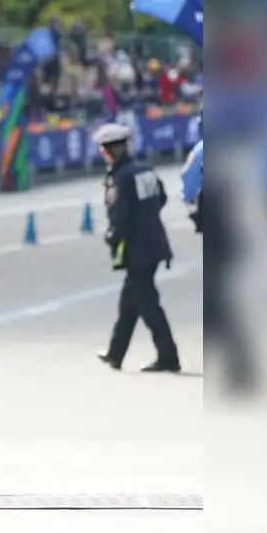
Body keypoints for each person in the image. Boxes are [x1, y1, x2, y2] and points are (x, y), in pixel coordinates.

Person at [92, 123, 181, 373]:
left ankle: (169, 356)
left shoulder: (121, 177)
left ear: (109, 151)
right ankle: (115, 353)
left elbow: (121, 216)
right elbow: (161, 198)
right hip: (153, 243)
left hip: (138, 249)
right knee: (129, 303)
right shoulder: (145, 170)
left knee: (148, 305)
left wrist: (112, 238)